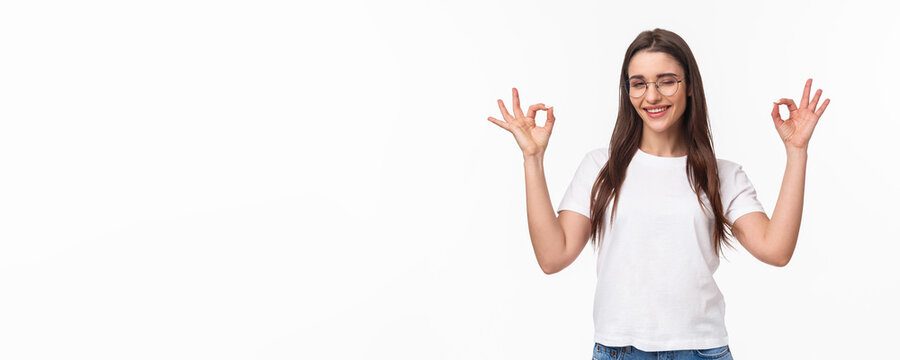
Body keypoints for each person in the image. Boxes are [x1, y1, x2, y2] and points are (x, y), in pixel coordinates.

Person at [486, 28, 830, 360]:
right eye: (639, 84)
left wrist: (797, 152)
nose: (652, 96)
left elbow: (777, 249)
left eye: (666, 81)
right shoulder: (600, 167)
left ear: (690, 86)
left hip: (701, 350)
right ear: (627, 91)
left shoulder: (722, 174)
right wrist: (532, 158)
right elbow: (552, 256)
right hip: (618, 350)